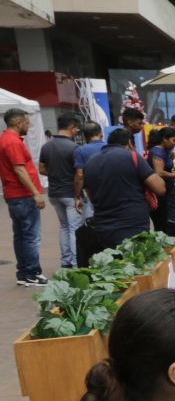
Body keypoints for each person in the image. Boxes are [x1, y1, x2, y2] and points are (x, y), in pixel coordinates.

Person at [81, 129, 165, 249]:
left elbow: (90, 193)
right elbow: (160, 188)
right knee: (136, 258)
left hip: (103, 226)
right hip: (134, 225)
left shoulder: (91, 161)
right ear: (129, 143)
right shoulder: (132, 157)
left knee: (112, 259)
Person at [1, 109, 46, 285]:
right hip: (23, 195)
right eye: (27, 122)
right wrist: (35, 193)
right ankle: (32, 272)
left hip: (15, 195)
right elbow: (19, 169)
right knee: (30, 236)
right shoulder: (12, 142)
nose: (29, 125)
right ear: (18, 123)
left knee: (21, 235)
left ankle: (24, 273)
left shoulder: (6, 139)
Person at [39, 115, 82, 268]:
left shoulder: (46, 146)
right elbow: (79, 175)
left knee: (64, 226)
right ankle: (76, 262)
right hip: (70, 193)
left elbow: (41, 169)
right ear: (71, 127)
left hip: (54, 193)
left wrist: (55, 174)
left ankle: (65, 261)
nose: (77, 131)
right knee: (74, 228)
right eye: (76, 128)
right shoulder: (74, 148)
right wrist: (78, 195)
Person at [147, 127, 175, 234]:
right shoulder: (157, 152)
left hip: (168, 191)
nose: (174, 143)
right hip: (160, 194)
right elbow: (159, 172)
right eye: (173, 140)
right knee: (162, 222)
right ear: (164, 139)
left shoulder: (164, 151)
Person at [73, 121, 105, 218]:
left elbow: (80, 176)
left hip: (93, 192)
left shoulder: (80, 151)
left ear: (85, 136)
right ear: (101, 134)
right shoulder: (110, 147)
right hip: (113, 190)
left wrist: (77, 197)